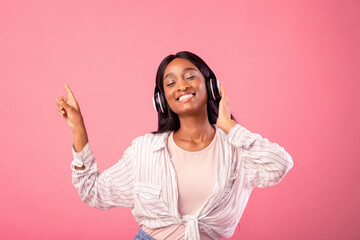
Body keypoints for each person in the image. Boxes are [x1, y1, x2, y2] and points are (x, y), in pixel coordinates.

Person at [55, 51, 294, 240]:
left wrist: (229, 127)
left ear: (211, 87)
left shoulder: (236, 149)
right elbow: (93, 192)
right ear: (161, 100)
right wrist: (78, 129)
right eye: (170, 83)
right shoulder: (145, 150)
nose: (182, 86)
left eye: (190, 76)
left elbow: (279, 165)